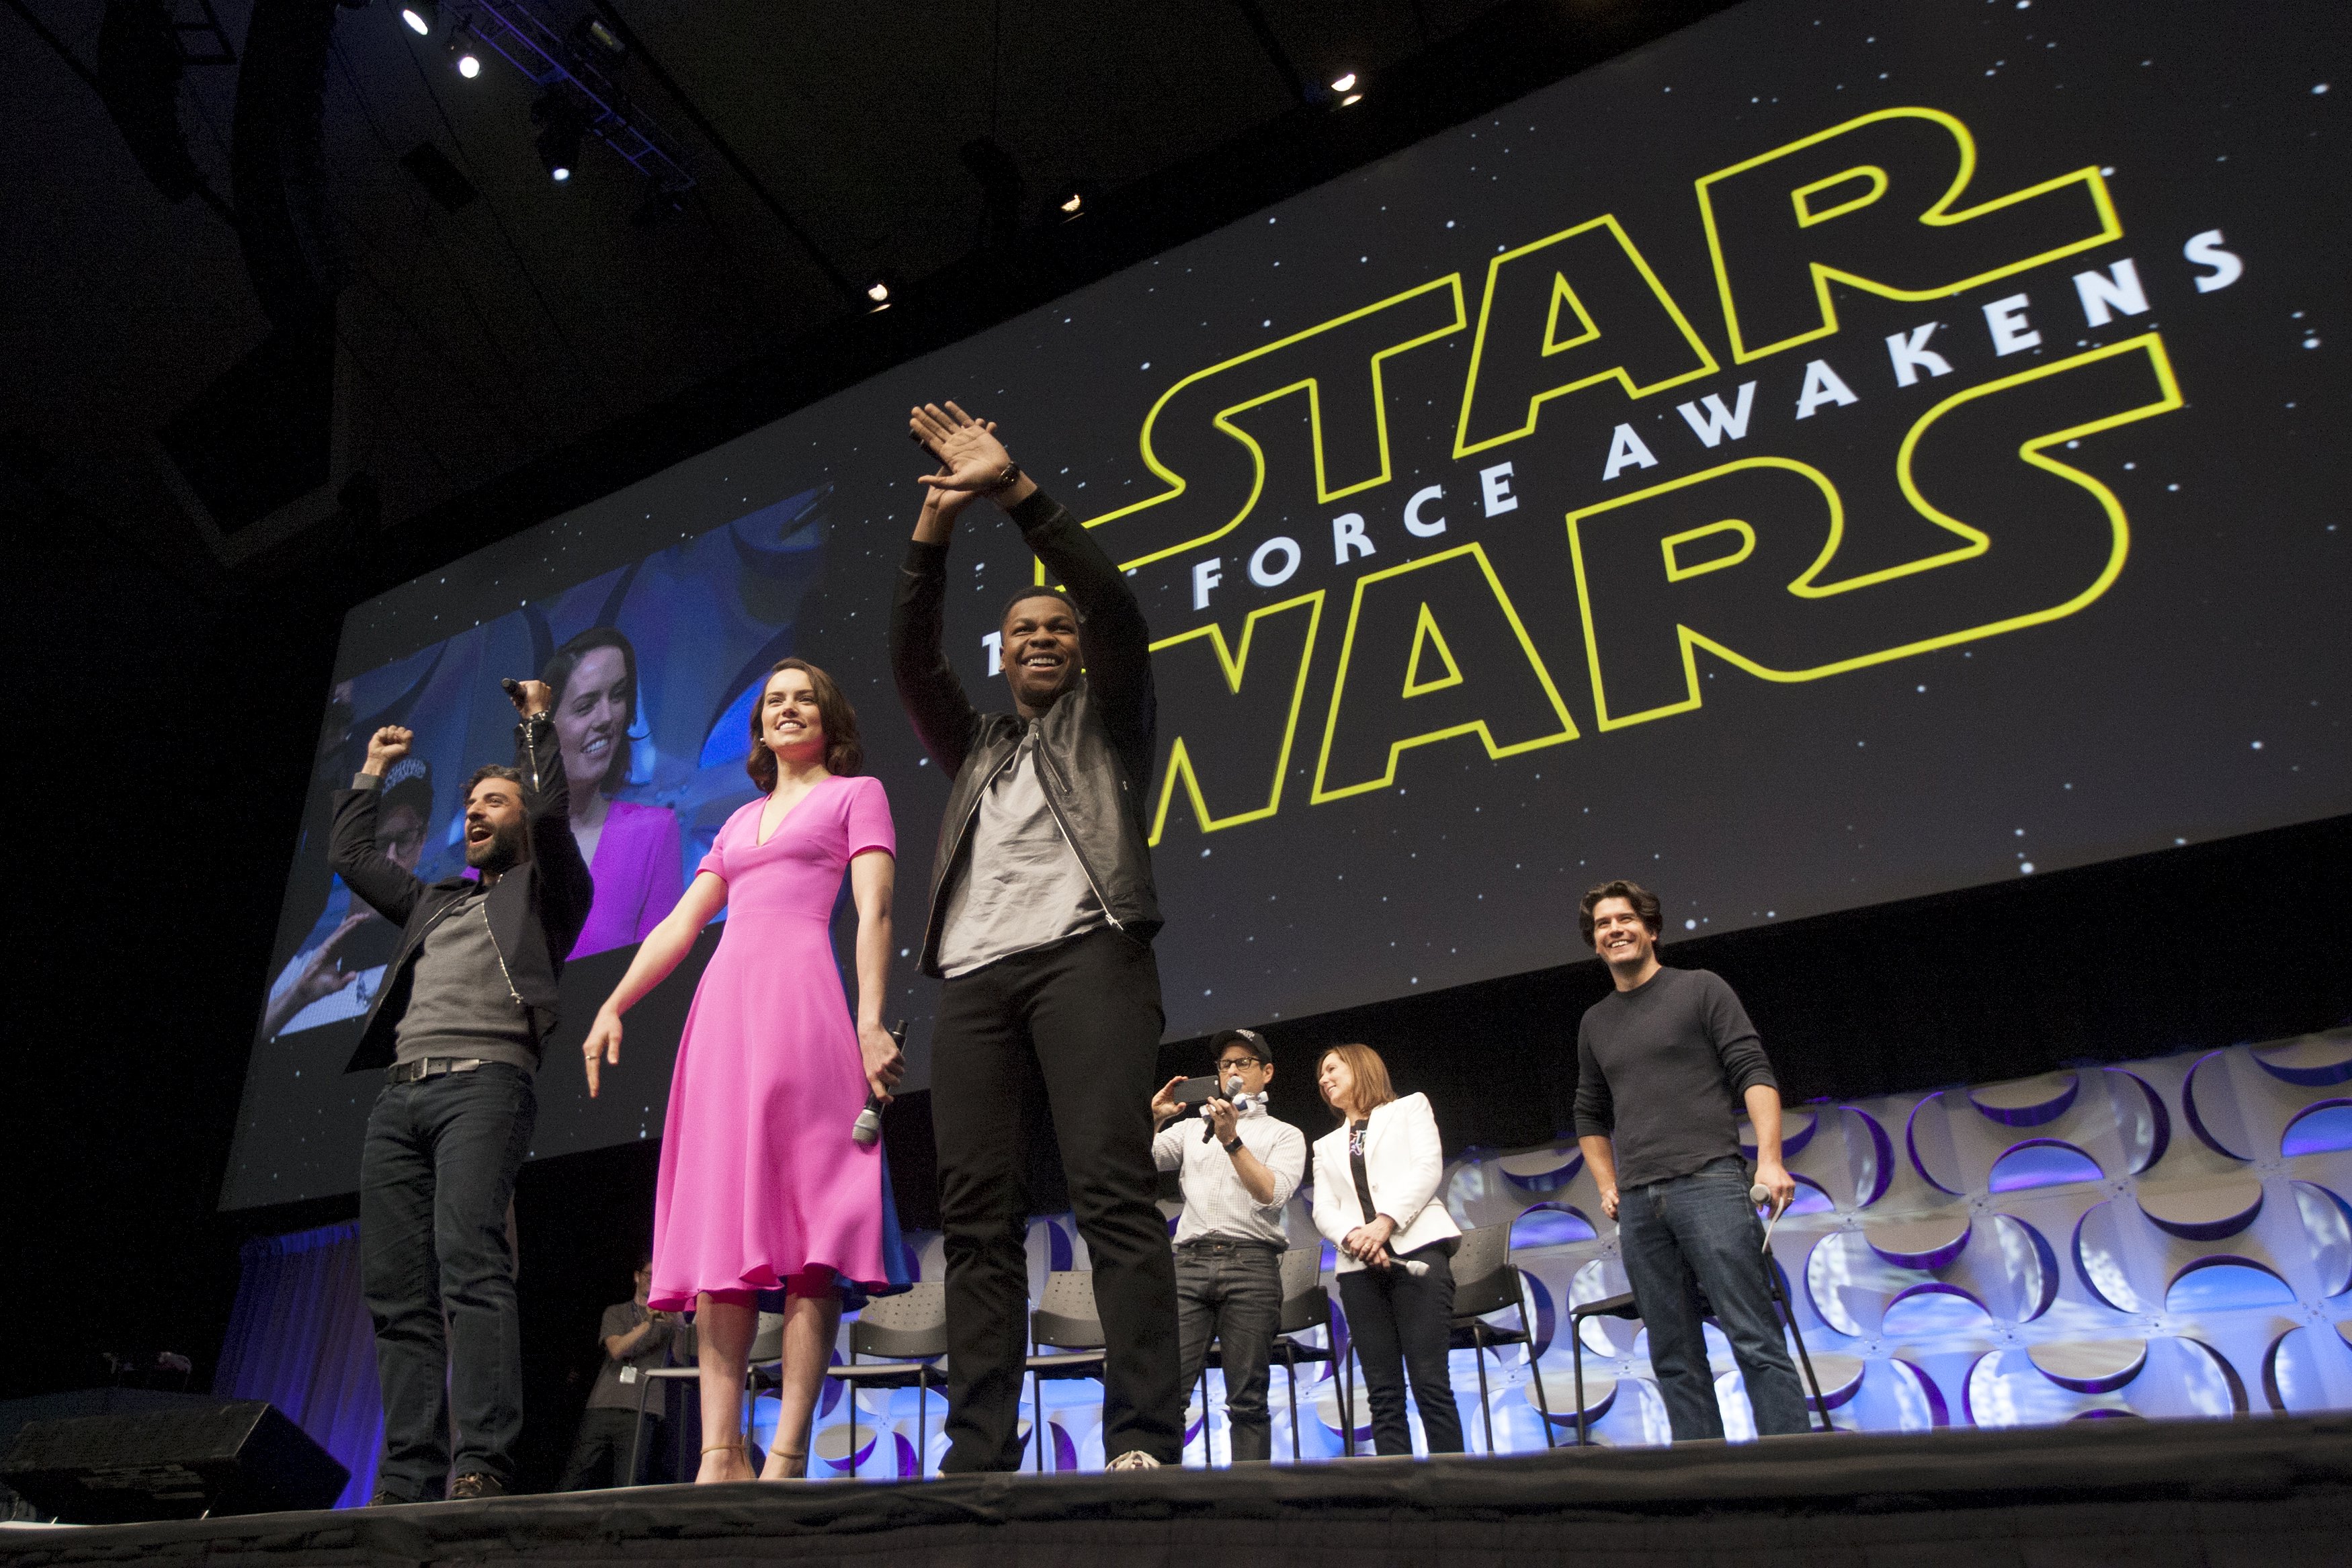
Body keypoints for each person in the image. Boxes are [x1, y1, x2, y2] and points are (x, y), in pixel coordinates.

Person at [889, 401, 1182, 1473]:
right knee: (975, 1216)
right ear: (1002, 653)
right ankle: (978, 1449)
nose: (1047, 637)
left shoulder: (1109, 721)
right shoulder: (974, 745)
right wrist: (936, 523)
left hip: (1087, 958)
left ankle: (1142, 1436)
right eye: (1024, 631)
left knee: (1110, 1191)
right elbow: (912, 659)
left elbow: (1113, 604)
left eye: (1057, 629)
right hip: (973, 979)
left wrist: (1015, 492)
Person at [581, 656, 905, 1483]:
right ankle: (720, 1451)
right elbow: (682, 926)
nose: (788, 710)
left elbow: (875, 910)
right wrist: (614, 1001)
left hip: (805, 1014)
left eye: (803, 699)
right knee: (725, 1233)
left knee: (810, 1237)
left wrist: (869, 1022)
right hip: (724, 1020)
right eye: (774, 702)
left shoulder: (854, 795)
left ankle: (787, 1450)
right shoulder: (733, 823)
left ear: (828, 719)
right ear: (759, 728)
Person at [335, 680, 595, 1503]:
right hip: (400, 1100)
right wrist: (372, 772)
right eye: (471, 802)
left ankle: (480, 1461)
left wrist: (534, 726)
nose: (477, 812)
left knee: (469, 1268)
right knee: (395, 1295)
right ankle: (408, 1474)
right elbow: (350, 858)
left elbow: (552, 812)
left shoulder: (548, 893)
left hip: (485, 1088)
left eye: (495, 801)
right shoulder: (433, 903)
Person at [1572, 878, 1809, 1442]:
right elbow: (1588, 1114)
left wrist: (1770, 1160)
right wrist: (1608, 1184)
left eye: (1625, 919)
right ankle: (1704, 1484)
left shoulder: (1701, 989)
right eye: (1603, 924)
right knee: (1674, 1353)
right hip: (1639, 1205)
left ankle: (1798, 1472)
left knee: (1753, 1338)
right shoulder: (1595, 1022)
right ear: (1596, 942)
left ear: (1650, 929)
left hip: (1711, 1184)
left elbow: (1753, 1071)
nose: (1615, 930)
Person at [1149, 1028, 1306, 1465]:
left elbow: (1271, 1193)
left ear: (1267, 1072)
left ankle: (1249, 1509)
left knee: (1247, 1399)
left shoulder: (1285, 1134)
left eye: (1244, 1063)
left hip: (1251, 1265)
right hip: (1190, 1265)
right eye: (1225, 1065)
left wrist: (1232, 1140)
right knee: (1167, 1394)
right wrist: (1155, 1119)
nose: (1232, 1070)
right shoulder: (1188, 1130)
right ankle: (1164, 1502)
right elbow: (1134, 1164)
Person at [1310, 1044, 1464, 1457]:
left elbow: (1427, 1168)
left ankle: (1460, 1489)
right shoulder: (1325, 1145)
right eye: (1321, 1076)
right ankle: (1400, 1498)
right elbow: (1324, 1209)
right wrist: (1356, 1239)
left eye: (1331, 1069)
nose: (1324, 1080)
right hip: (1359, 1270)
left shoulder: (1410, 1108)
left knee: (1430, 1381)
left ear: (1360, 1066)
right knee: (1382, 1392)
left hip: (1418, 1252)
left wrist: (1385, 1224)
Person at [261, 756, 435, 1041]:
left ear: (422, 839)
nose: (390, 859)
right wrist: (298, 996)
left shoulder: (441, 953)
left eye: (403, 840)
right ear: (351, 849)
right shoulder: (297, 973)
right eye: (377, 844)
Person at [541, 627, 683, 958]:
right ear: (546, 728)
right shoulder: (505, 845)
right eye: (586, 705)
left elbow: (658, 975)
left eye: (618, 695)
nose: (607, 717)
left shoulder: (653, 832)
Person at [558, 1257, 678, 1490]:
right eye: (649, 1275)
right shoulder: (616, 1312)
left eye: (658, 1277)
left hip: (643, 1408)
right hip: (604, 1404)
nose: (653, 1281)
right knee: (577, 1474)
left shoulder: (669, 1319)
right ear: (637, 1276)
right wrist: (647, 1323)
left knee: (630, 1481)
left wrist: (679, 1324)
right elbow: (616, 1349)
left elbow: (682, 1358)